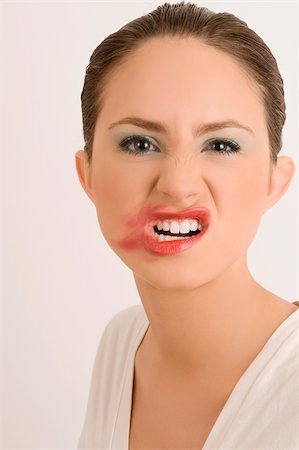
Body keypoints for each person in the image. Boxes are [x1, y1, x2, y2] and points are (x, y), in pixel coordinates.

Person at [75, 2, 299, 449]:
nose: (178, 186)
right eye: (140, 143)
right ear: (88, 174)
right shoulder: (122, 344)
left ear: (276, 181)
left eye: (220, 144)